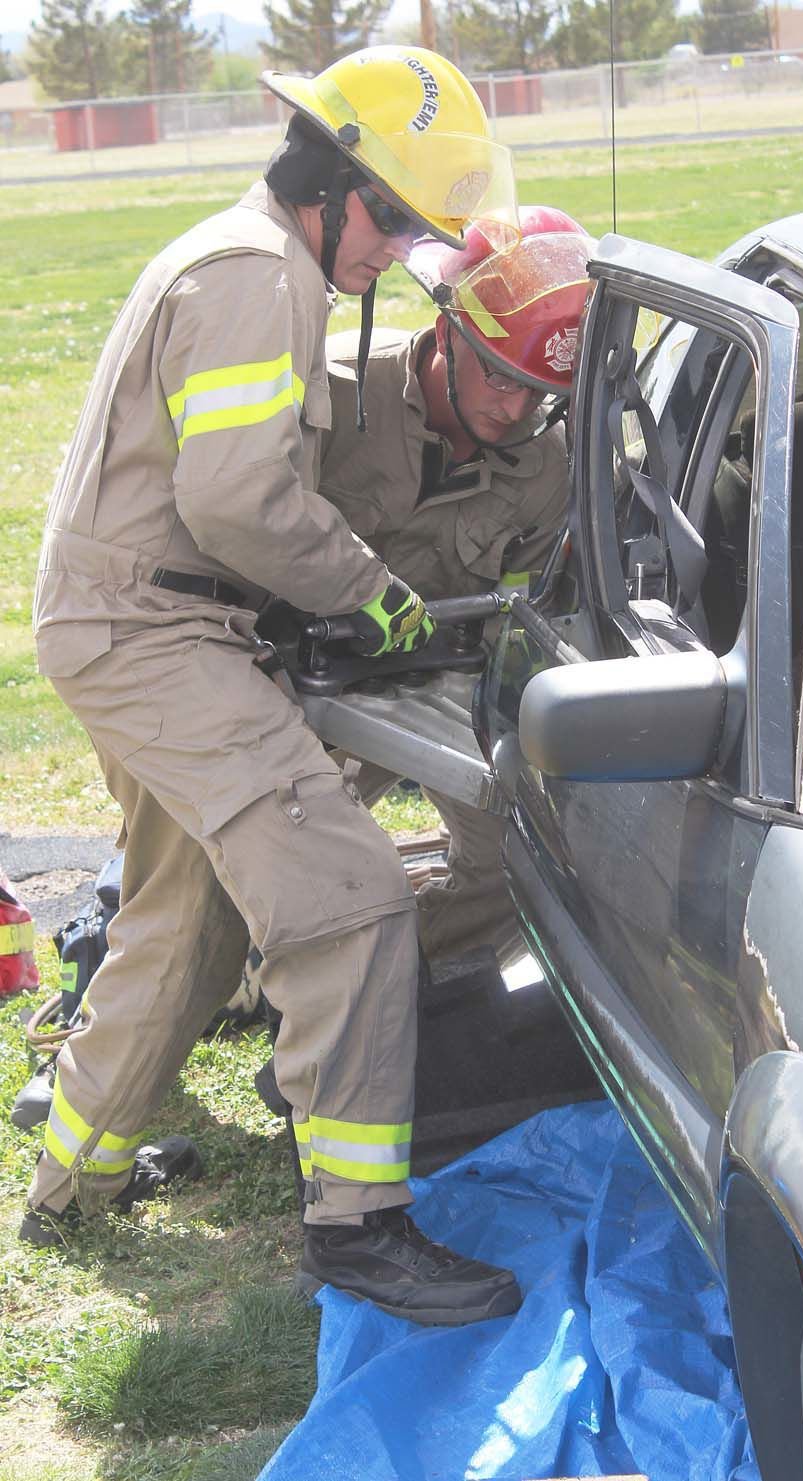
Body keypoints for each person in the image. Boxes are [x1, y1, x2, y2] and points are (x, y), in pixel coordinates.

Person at [23, 45, 525, 1328]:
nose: (397, 250)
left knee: (183, 919)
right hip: (156, 636)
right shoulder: (262, 279)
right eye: (395, 218)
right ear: (334, 185)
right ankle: (357, 1225)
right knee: (350, 897)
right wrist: (373, 590)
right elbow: (238, 499)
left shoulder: (255, 258)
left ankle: (72, 1177)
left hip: (136, 623)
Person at [317, 206, 594, 965]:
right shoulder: (337, 396)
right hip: (296, 682)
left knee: (524, 852)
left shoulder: (548, 467)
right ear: (448, 335)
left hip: (437, 685)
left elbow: (517, 627)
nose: (515, 409)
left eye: (539, 392)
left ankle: (405, 977)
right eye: (503, 376)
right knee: (285, 851)